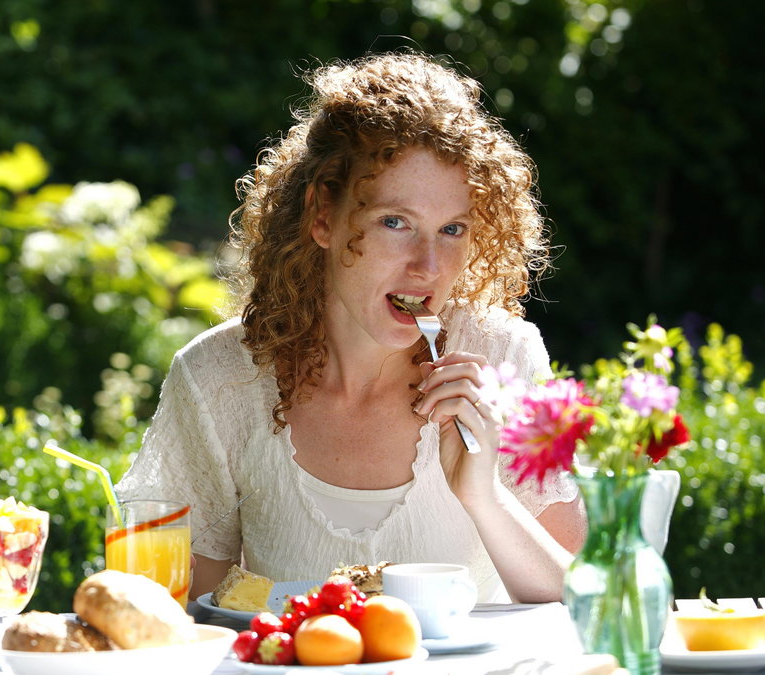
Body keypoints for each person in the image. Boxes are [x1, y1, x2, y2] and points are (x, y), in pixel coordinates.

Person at [115, 50, 585, 604]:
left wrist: (483, 496)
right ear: (322, 217)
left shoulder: (504, 360)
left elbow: (586, 606)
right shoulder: (221, 380)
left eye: (453, 229)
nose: (428, 266)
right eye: (395, 222)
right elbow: (177, 619)